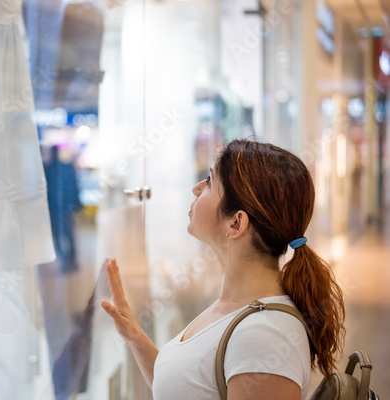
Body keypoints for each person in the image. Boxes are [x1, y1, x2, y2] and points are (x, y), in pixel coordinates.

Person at [101, 139, 345, 400]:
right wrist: (135, 337)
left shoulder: (264, 335)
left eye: (209, 181)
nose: (196, 188)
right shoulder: (239, 308)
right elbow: (185, 389)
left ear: (236, 223)